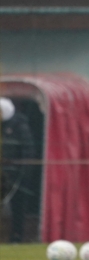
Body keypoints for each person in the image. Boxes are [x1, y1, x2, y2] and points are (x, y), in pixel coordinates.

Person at [1, 97, 35, 243]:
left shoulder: (19, 125)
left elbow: (28, 151)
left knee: (18, 207)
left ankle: (17, 237)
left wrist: (24, 173)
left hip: (16, 176)